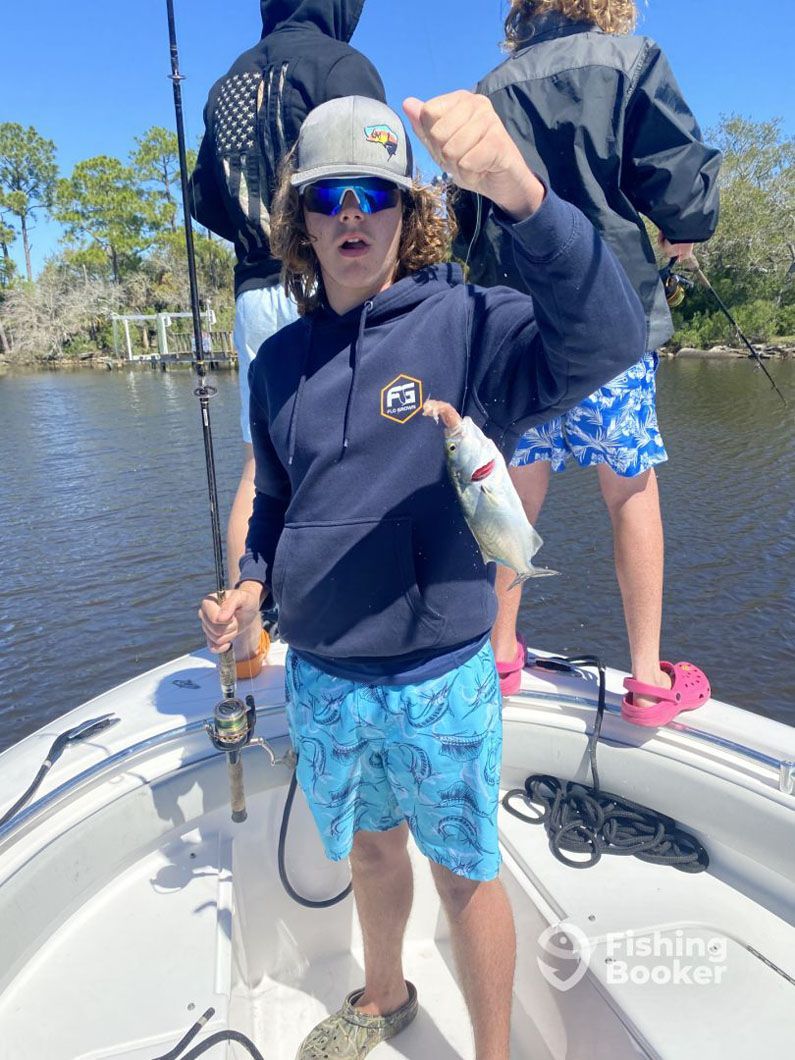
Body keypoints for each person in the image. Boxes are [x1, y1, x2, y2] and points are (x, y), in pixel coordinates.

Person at [199, 92, 644, 1059]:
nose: (350, 214)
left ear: (409, 211)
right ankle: (386, 991)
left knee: (464, 873)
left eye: (373, 192)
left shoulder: (472, 326)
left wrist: (525, 197)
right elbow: (276, 498)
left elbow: (609, 340)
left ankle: (490, 1052)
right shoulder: (276, 362)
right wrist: (250, 585)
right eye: (327, 197)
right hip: (323, 677)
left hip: (438, 679)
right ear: (300, 222)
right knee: (368, 850)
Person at [453, 0, 720, 724]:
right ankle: (644, 679)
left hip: (516, 331)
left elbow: (464, 223)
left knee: (512, 490)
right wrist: (684, 232)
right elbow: (678, 182)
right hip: (610, 321)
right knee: (628, 490)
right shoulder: (630, 60)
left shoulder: (489, 87)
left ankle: (498, 653)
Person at [189, 0, 386, 677]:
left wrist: (257, 235)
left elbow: (202, 197)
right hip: (329, 285)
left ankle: (246, 639)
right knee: (356, 450)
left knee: (259, 465)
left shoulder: (226, 84)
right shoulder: (341, 65)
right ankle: (350, 622)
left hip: (254, 292)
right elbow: (371, 183)